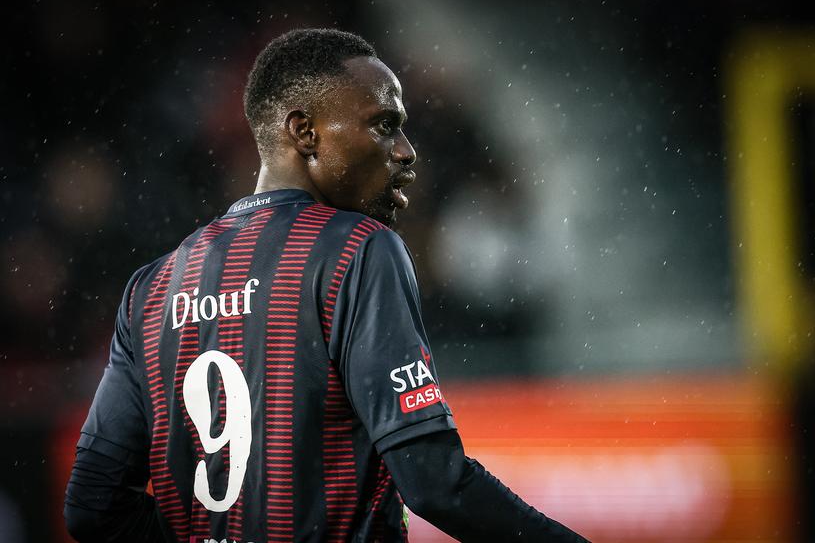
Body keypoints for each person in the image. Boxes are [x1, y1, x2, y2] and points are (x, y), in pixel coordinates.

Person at [64, 28, 589, 542]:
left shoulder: (152, 286)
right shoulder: (358, 249)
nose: (406, 151)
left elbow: (92, 506)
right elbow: (434, 481)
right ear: (304, 132)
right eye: (384, 125)